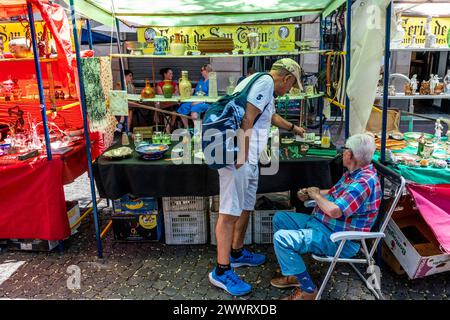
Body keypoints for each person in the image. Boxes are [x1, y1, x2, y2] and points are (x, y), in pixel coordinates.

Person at [208, 58, 305, 296]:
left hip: (248, 158)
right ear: (287, 78)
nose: (289, 91)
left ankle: (238, 252)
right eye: (292, 86)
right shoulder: (265, 83)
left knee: (245, 207)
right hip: (239, 157)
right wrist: (241, 154)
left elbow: (269, 116)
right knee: (229, 212)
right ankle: (221, 271)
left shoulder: (261, 83)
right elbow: (247, 118)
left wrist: (294, 128)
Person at [270, 133, 382, 300]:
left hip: (338, 239)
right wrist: (310, 193)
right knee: (280, 218)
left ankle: (308, 290)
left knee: (281, 238)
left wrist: (316, 196)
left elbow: (335, 210)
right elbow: (332, 193)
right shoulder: (354, 173)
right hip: (322, 223)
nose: (343, 153)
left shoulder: (363, 182)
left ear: (350, 155)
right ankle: (295, 274)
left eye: (345, 150)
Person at [155, 67, 179, 132]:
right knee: (169, 111)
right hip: (164, 105)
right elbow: (162, 96)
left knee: (174, 111)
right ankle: (168, 130)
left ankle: (170, 126)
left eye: (172, 74)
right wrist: (172, 95)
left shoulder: (174, 84)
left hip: (173, 105)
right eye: (170, 73)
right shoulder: (160, 85)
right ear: (165, 74)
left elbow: (177, 94)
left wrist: (171, 96)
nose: (172, 75)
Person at [115, 70, 136, 134]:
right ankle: (127, 130)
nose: (131, 77)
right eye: (130, 76)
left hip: (129, 104)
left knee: (130, 109)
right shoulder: (119, 84)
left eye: (131, 76)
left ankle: (121, 125)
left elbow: (134, 96)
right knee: (128, 109)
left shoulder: (132, 86)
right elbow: (118, 96)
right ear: (124, 76)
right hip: (120, 104)